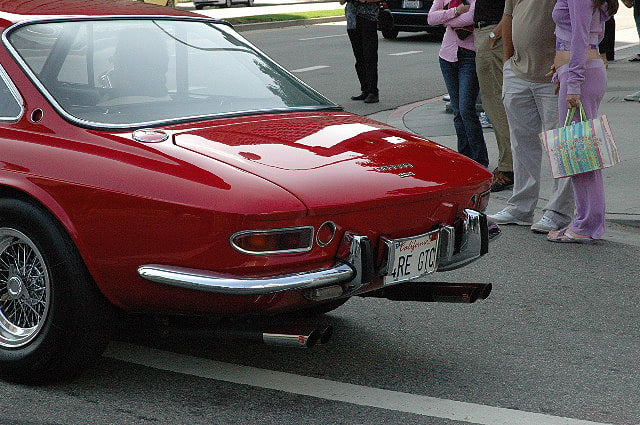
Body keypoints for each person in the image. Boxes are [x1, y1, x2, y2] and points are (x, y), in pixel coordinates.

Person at [488, 0, 575, 233]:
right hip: (518, 72)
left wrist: (568, 66)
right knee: (521, 143)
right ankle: (521, 207)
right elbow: (509, 17)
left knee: (560, 146)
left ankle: (558, 212)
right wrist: (507, 61)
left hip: (554, 77)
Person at [547, 0, 618, 244]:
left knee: (581, 154)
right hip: (580, 70)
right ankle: (584, 221)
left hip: (581, 73)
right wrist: (561, 69)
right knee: (580, 153)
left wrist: (573, 81)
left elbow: (580, 35)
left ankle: (586, 223)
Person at [428, 0, 489, 168]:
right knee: (457, 111)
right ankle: (464, 157)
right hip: (447, 56)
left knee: (466, 109)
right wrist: (456, 11)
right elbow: (431, 18)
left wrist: (445, 19)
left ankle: (479, 159)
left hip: (469, 56)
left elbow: (470, 18)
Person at [473, 0, 514, 191]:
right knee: (494, 104)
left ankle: (509, 167)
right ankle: (508, 164)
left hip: (492, 33)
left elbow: (511, 8)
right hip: (488, 32)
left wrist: (495, 33)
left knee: (496, 103)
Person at [345, 0, 380, 104]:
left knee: (370, 56)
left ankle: (373, 92)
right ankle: (365, 90)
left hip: (368, 18)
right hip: (352, 19)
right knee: (359, 58)